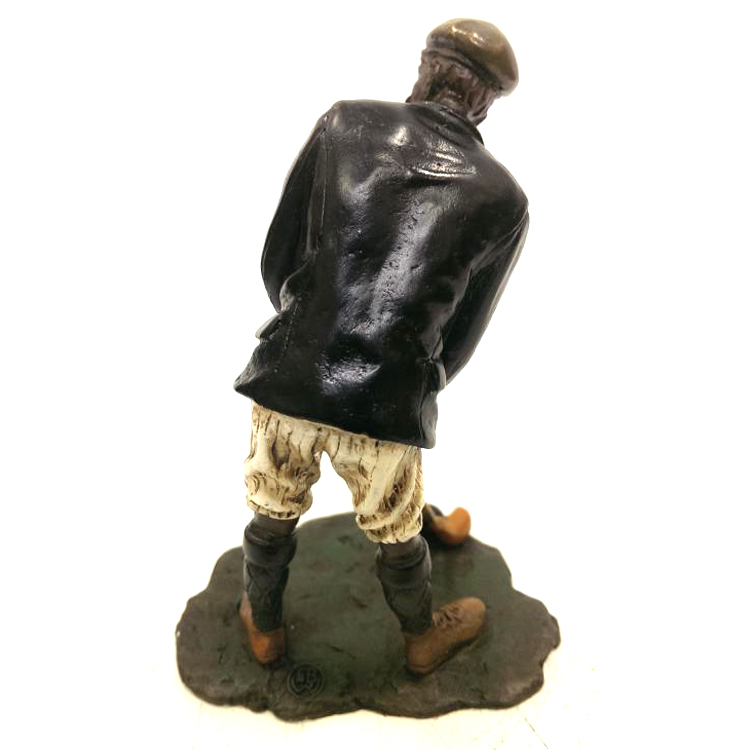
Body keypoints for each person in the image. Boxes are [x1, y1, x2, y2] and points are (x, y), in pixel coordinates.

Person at [233, 18, 529, 675]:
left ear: (425, 68)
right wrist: (403, 377)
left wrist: (310, 330)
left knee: (273, 506)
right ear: (486, 101)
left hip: (290, 377)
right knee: (392, 525)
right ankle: (422, 635)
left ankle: (265, 624)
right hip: (386, 402)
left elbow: (279, 256)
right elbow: (461, 338)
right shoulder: (504, 199)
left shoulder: (344, 123)